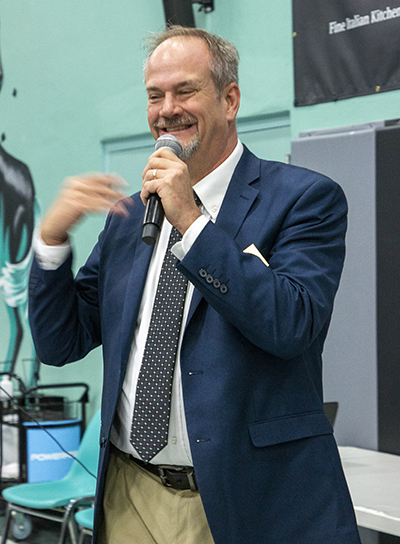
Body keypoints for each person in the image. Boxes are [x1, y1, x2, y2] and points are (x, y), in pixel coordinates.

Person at [28, 26, 361, 544]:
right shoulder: (130, 217)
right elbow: (61, 343)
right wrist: (50, 243)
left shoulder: (304, 198)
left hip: (247, 500)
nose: (167, 109)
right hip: (129, 495)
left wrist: (191, 221)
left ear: (229, 100)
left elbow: (291, 324)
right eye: (154, 95)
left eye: (185, 90)